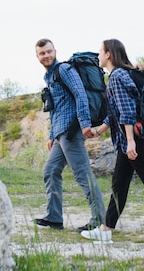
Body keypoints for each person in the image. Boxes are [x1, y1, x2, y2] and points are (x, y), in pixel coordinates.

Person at [80, 38, 144, 245]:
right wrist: (99, 131)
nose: (98, 56)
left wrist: (130, 142)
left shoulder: (117, 76)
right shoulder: (121, 75)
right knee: (119, 186)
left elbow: (127, 112)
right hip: (128, 140)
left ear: (108, 54)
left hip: (133, 140)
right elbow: (116, 113)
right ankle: (106, 229)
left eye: (100, 52)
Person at [33, 38, 105, 232]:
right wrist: (51, 135)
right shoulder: (49, 77)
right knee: (50, 171)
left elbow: (80, 94)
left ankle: (100, 219)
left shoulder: (64, 70)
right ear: (37, 56)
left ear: (55, 51)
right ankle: (54, 217)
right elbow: (55, 109)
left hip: (72, 130)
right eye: (42, 53)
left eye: (49, 52)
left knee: (83, 173)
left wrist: (84, 124)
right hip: (60, 132)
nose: (46, 56)